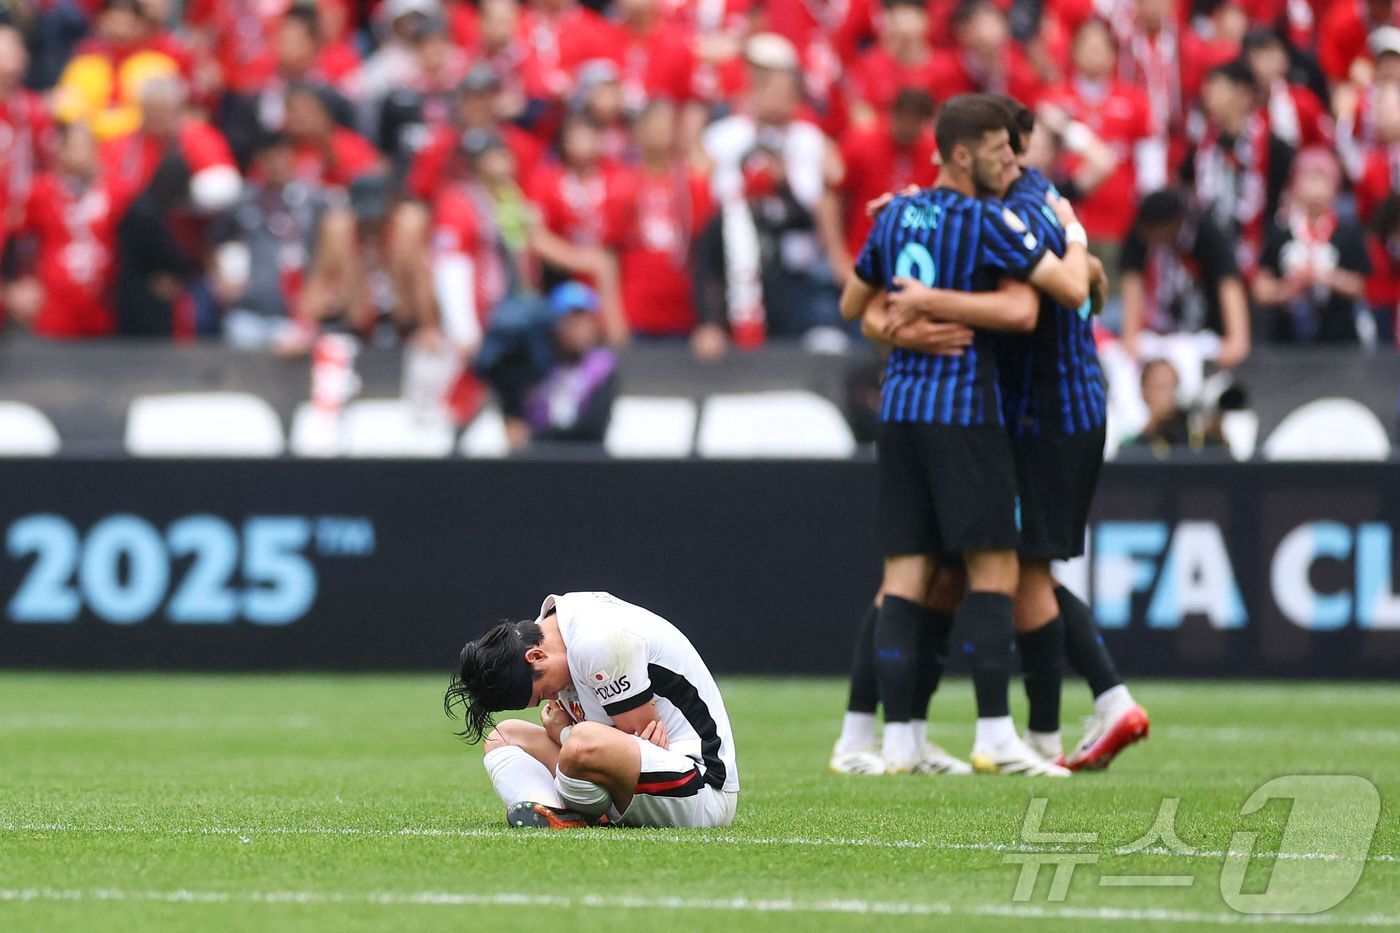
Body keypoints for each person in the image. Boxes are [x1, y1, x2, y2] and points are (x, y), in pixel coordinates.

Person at [871, 96, 1149, 772]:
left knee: (1020, 571)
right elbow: (1091, 290)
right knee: (1026, 569)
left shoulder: (1022, 206)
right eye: (1002, 147)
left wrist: (1077, 247)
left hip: (1050, 414)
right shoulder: (1016, 204)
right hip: (1042, 410)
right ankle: (1054, 728)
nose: (1011, 159)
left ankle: (1081, 713)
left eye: (1011, 147)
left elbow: (1059, 296)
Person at [836, 93, 1090, 777]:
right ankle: (996, 733)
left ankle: (895, 742)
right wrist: (933, 306)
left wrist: (897, 320)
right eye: (1001, 150)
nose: (1011, 161)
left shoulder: (894, 213)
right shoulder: (985, 220)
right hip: (963, 411)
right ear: (960, 153)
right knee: (993, 569)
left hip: (899, 408)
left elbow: (854, 307)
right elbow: (1024, 307)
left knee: (906, 576)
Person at [444, 590, 740, 829]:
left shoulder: (597, 641)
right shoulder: (553, 631)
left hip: (700, 787)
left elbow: (643, 742)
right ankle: (555, 814)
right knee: (503, 736)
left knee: (582, 740)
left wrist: (562, 732)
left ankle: (581, 808)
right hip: (640, 780)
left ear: (536, 655)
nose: (550, 697)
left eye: (543, 691)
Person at [1119, 188, 1252, 367]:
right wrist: (1130, 338)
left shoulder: (1206, 232)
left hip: (1201, 336)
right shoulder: (1138, 238)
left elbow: (1228, 283)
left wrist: (1237, 339)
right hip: (1155, 335)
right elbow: (1132, 281)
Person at [1253, 146, 1371, 343]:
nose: (1316, 188)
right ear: (1294, 184)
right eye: (1309, 178)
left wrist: (1325, 276)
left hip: (1338, 341)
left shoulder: (1348, 233)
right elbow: (1260, 288)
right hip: (1287, 340)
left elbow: (1361, 285)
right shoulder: (1280, 232)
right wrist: (1288, 288)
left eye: (1323, 179)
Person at [519, 281, 619, 447]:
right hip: (540, 461)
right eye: (571, 322)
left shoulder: (602, 368)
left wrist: (537, 437)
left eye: (585, 321)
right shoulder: (538, 367)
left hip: (586, 462)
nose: (580, 330)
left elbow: (593, 429)